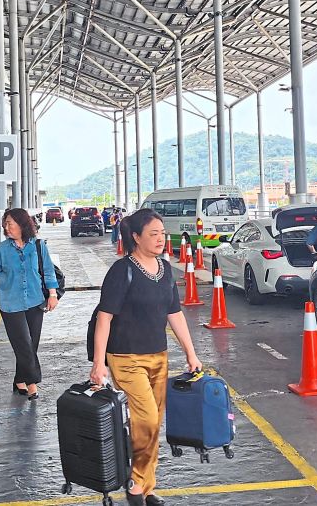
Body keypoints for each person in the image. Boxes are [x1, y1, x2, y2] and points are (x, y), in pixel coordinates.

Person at [90, 208, 203, 506]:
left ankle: (146, 485)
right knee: (147, 420)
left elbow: (174, 313)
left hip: (158, 357)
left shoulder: (165, 270)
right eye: (153, 234)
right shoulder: (121, 270)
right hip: (126, 358)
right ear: (136, 237)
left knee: (153, 423)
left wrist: (191, 353)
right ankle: (136, 483)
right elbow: (104, 318)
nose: (160, 239)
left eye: (162, 234)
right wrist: (98, 363)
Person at [0, 208, 59, 400]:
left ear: (22, 225)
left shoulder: (38, 246)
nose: (6, 228)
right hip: (10, 304)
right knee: (23, 343)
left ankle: (19, 379)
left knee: (31, 344)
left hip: (35, 300)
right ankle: (32, 384)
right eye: (5, 224)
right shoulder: (2, 250)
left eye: (10, 224)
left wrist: (53, 294)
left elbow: (48, 271)